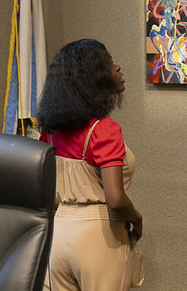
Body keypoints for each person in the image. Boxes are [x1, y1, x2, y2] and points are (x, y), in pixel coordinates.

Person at [37, 39, 143, 291]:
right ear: (92, 78)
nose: (117, 68)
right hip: (98, 237)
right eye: (108, 63)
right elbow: (115, 200)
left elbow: (49, 196)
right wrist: (137, 218)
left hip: (58, 236)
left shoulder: (50, 132)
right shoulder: (103, 129)